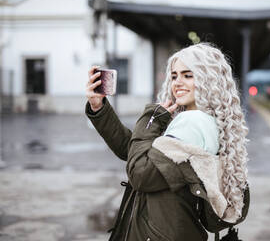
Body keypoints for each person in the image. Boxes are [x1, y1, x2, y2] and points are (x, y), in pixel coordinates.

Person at [85, 42, 250, 241]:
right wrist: (99, 108)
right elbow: (134, 152)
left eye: (188, 75)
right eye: (174, 76)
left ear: (208, 79)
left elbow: (141, 172)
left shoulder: (192, 122)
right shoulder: (201, 120)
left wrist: (151, 119)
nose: (177, 82)